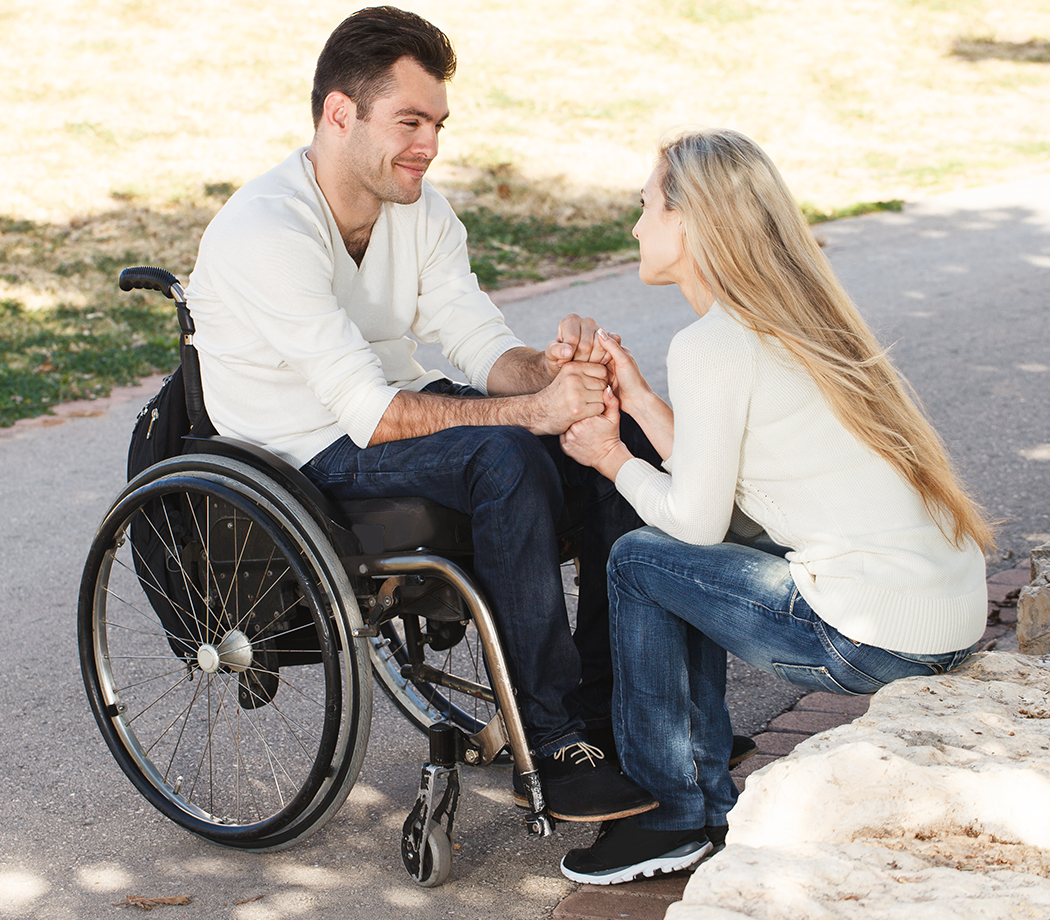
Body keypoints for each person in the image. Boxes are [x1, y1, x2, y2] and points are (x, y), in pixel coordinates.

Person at [184, 5, 663, 822]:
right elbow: (367, 414)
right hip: (303, 450)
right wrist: (528, 413)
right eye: (409, 121)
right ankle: (550, 742)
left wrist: (552, 374)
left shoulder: (422, 208)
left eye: (437, 123)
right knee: (504, 455)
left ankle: (616, 712)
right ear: (340, 113)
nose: (429, 145)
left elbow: (478, 344)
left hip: (393, 415)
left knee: (618, 435)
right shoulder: (268, 228)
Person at [557, 128, 993, 883]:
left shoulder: (714, 345)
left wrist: (611, 457)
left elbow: (695, 521)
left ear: (688, 223)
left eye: (645, 206)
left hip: (874, 637)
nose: (634, 226)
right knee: (676, 560)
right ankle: (694, 794)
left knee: (637, 560)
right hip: (945, 616)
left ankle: (674, 813)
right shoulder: (794, 317)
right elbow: (713, 488)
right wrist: (642, 401)